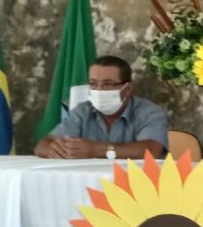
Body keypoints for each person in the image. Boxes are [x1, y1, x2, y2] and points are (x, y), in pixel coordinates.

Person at [35, 55, 168, 160]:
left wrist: (95, 149)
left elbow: (151, 150)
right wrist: (53, 149)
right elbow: (42, 145)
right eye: (93, 84)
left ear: (127, 89)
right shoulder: (83, 111)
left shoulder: (149, 112)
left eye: (107, 84)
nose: (99, 90)